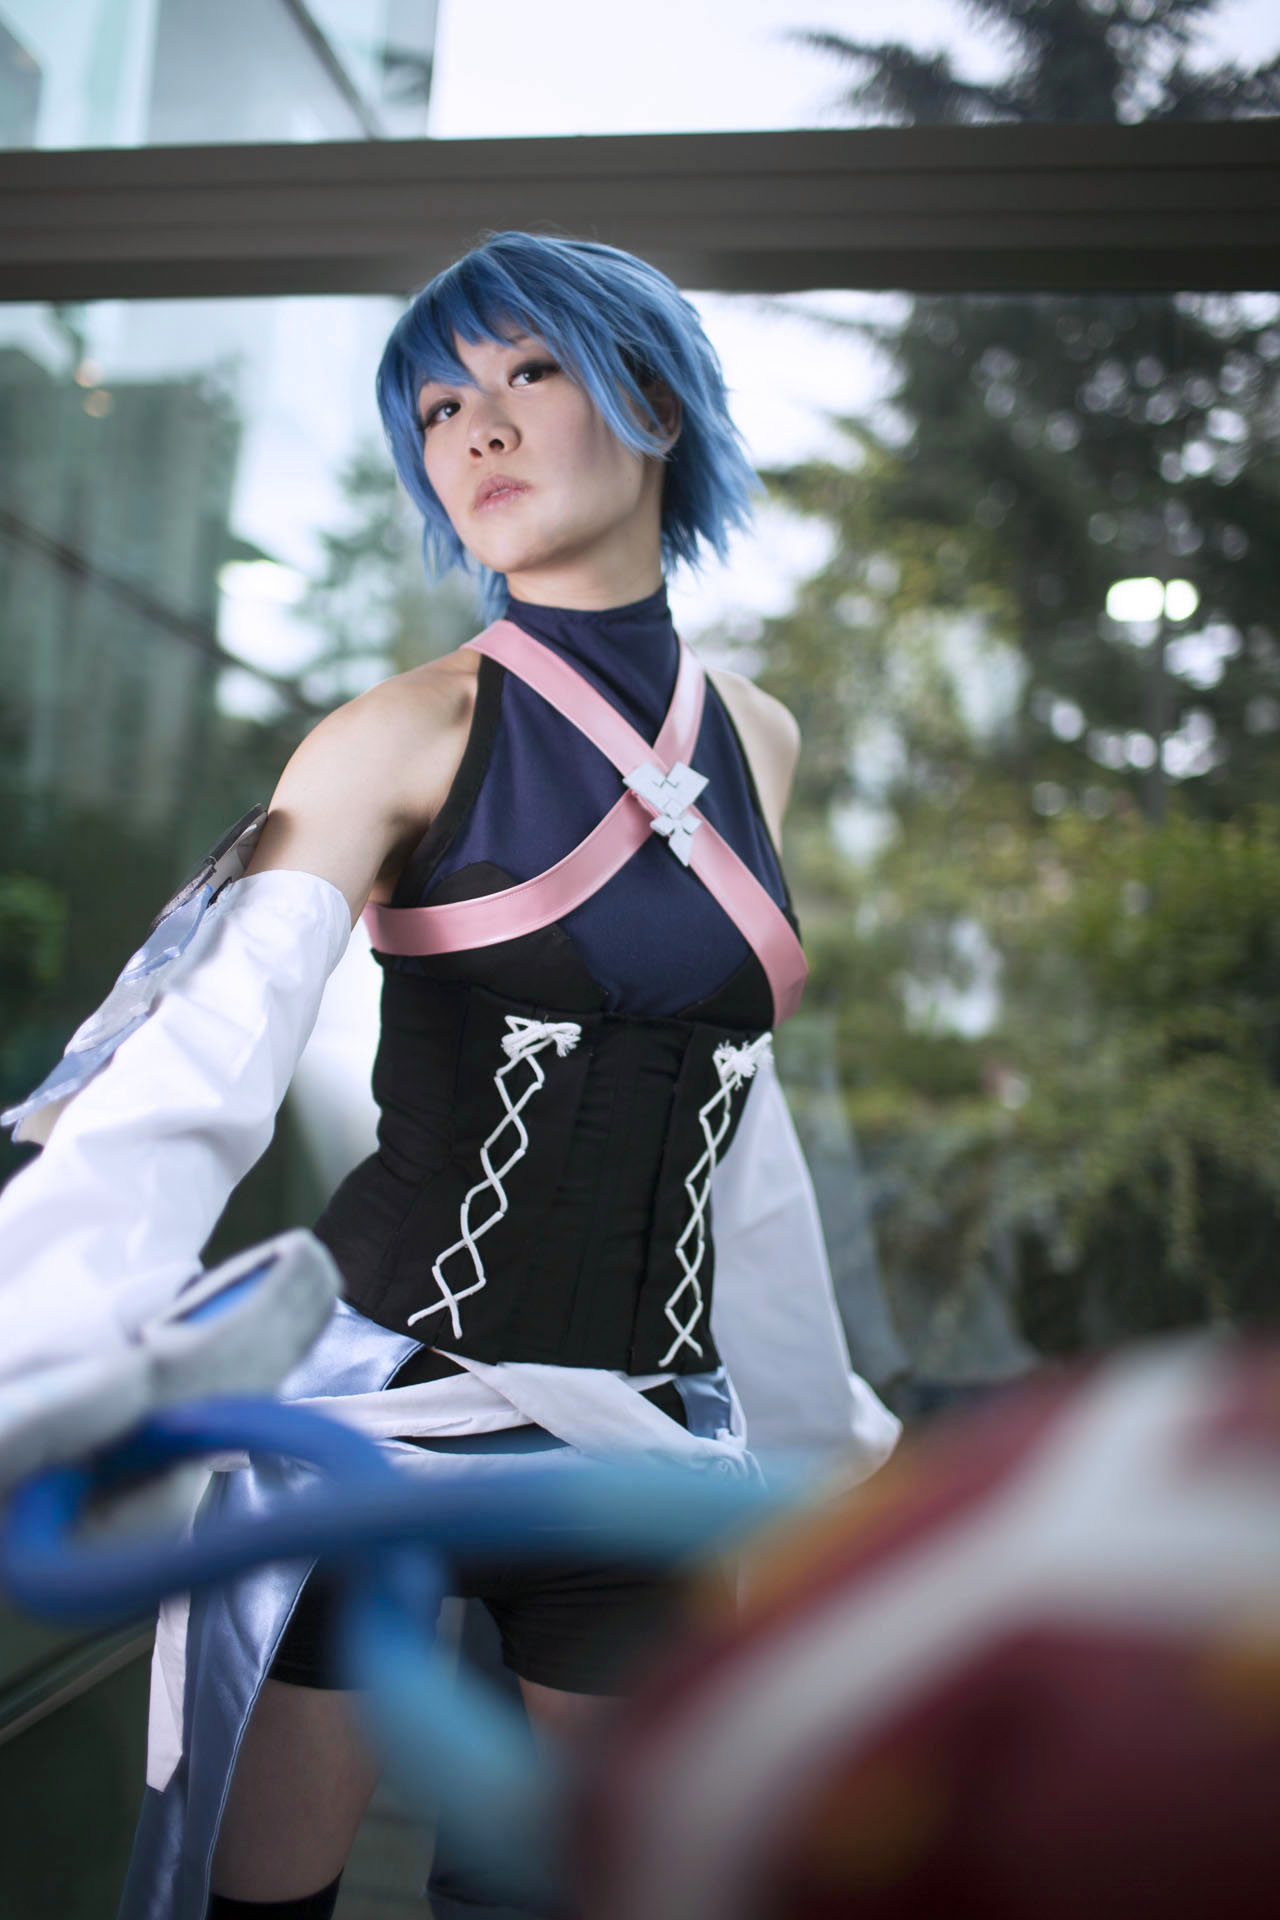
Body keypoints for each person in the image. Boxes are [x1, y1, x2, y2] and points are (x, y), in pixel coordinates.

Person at [0, 231, 898, 1920]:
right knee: (262, 1907)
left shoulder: (758, 738)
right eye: (435, 407)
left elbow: (735, 1122)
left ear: (652, 404)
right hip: (373, 1436)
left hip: (638, 1449)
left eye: (527, 373)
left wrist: (817, 1443)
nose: (473, 427)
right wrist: (28, 1344)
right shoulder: (394, 734)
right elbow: (193, 1061)